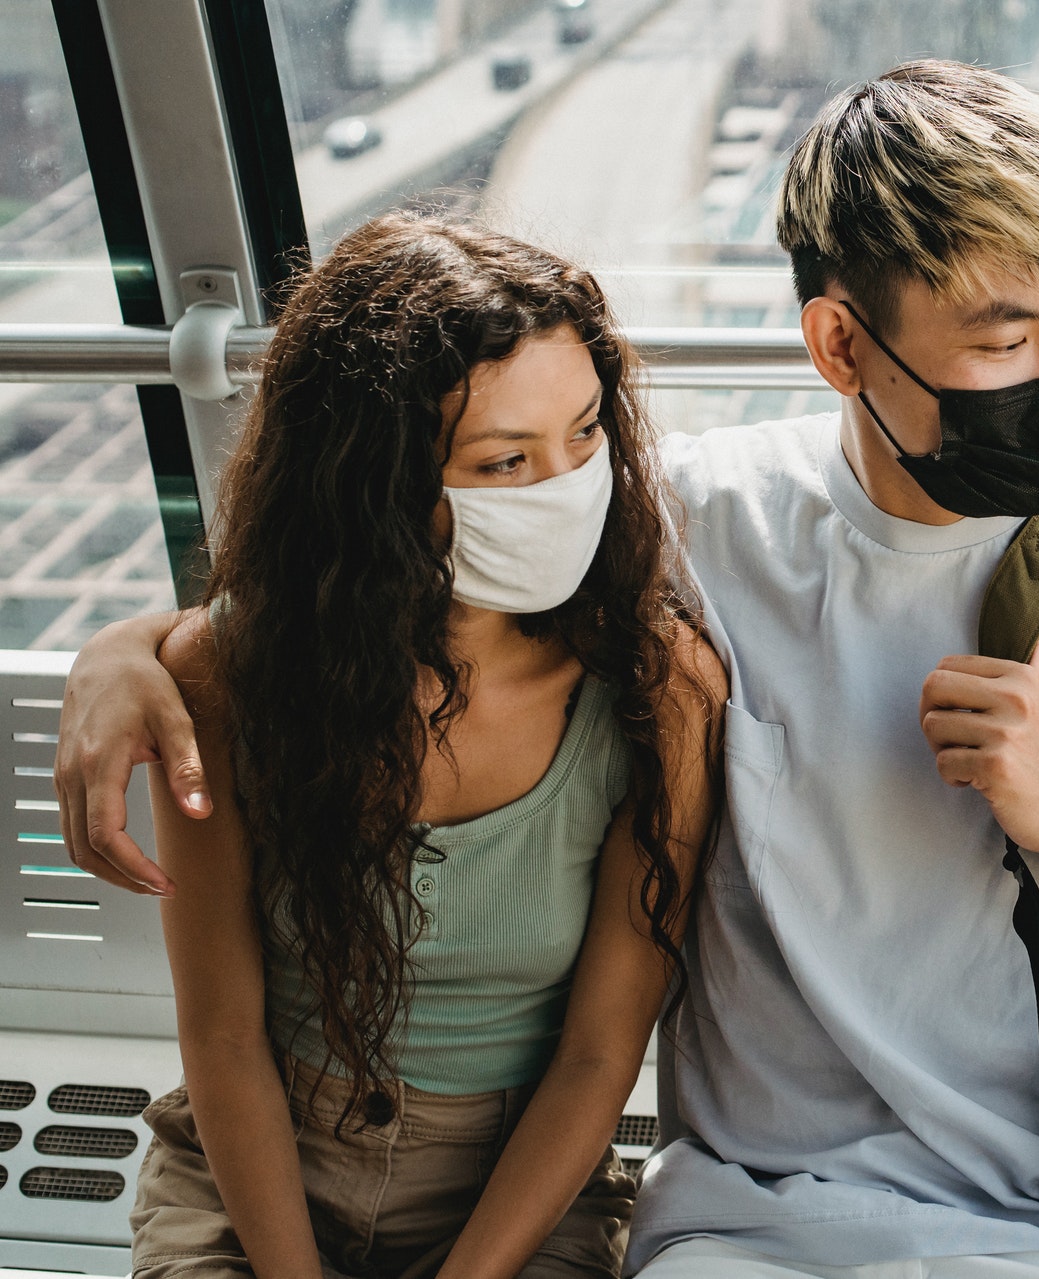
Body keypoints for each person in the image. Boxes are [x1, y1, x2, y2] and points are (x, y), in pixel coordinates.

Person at [59, 62, 1039, 1278]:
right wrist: (126, 657)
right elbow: (393, 557)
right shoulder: (695, 531)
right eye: (1004, 336)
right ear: (842, 344)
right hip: (750, 1223)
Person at [120, 214, 722, 1279]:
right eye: (505, 461)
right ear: (377, 486)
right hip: (257, 1176)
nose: (568, 483)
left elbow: (597, 1056)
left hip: (514, 1195)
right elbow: (221, 1037)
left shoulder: (657, 692)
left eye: (586, 434)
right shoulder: (229, 675)